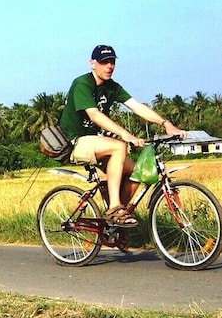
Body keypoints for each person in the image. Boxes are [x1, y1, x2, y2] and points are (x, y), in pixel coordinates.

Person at [59, 45, 185, 227]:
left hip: (96, 142)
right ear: (92, 64)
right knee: (119, 146)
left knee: (138, 173)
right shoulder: (82, 84)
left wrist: (166, 124)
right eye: (104, 62)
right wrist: (125, 134)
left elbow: (137, 106)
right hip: (76, 141)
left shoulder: (112, 87)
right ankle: (114, 206)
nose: (109, 66)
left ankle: (116, 219)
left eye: (112, 61)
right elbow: (94, 115)